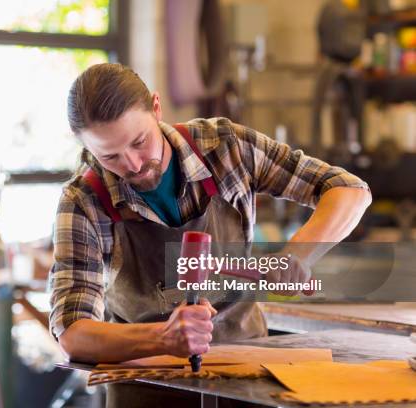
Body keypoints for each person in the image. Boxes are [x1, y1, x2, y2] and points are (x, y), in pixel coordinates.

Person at [49, 63, 371, 406]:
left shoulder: (225, 149)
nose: (133, 164)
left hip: (248, 374)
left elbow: (348, 189)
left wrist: (299, 255)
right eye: (109, 156)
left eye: (140, 141)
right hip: (145, 388)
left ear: (157, 108)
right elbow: (74, 333)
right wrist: (162, 338)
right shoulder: (83, 202)